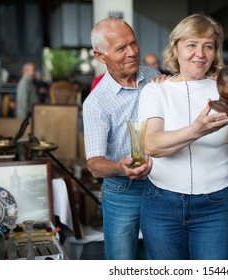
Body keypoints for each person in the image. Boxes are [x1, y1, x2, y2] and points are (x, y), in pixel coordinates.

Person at [138, 14, 228, 260]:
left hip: (215, 206)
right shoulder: (156, 90)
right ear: (175, 47)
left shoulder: (227, 89)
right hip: (162, 202)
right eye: (191, 45)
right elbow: (151, 145)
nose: (200, 53)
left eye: (208, 46)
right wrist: (197, 129)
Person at [82, 17, 160, 260]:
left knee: (161, 260)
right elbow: (94, 165)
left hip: (161, 184)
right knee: (120, 262)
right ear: (100, 56)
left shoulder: (153, 76)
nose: (132, 53)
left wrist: (169, 85)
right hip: (122, 189)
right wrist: (120, 167)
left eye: (133, 43)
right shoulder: (96, 103)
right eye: (121, 48)